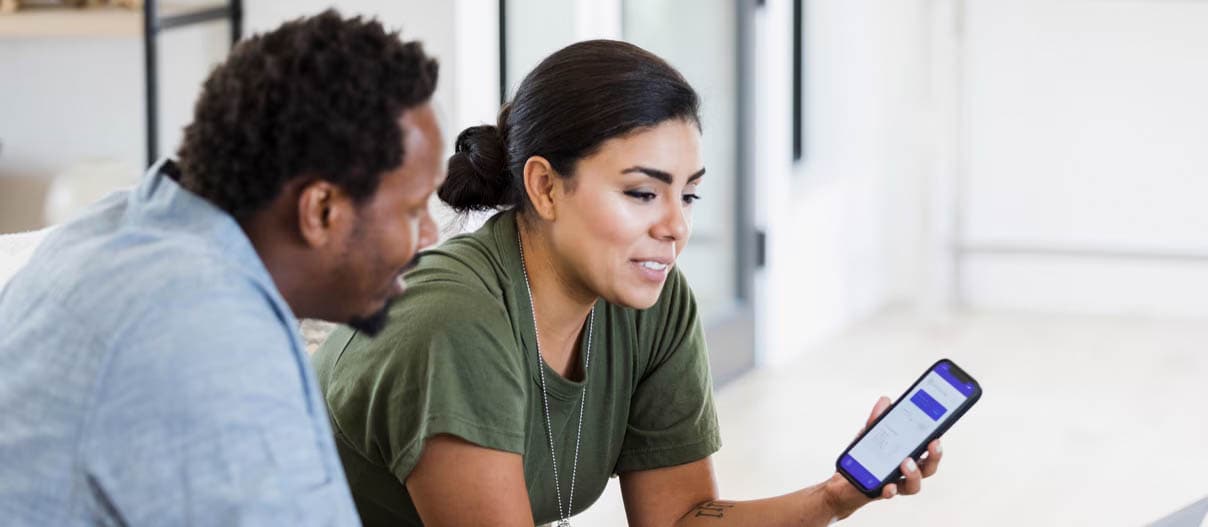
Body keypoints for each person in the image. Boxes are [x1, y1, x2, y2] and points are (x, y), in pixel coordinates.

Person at [312, 39, 944, 527]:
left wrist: (837, 496)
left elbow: (679, 518)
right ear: (545, 187)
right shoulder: (454, 323)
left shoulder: (652, 304)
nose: (675, 226)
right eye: (642, 192)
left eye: (689, 195)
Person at [0, 10, 443, 525]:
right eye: (414, 210)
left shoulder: (122, 224)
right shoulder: (202, 331)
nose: (429, 236)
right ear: (321, 210)